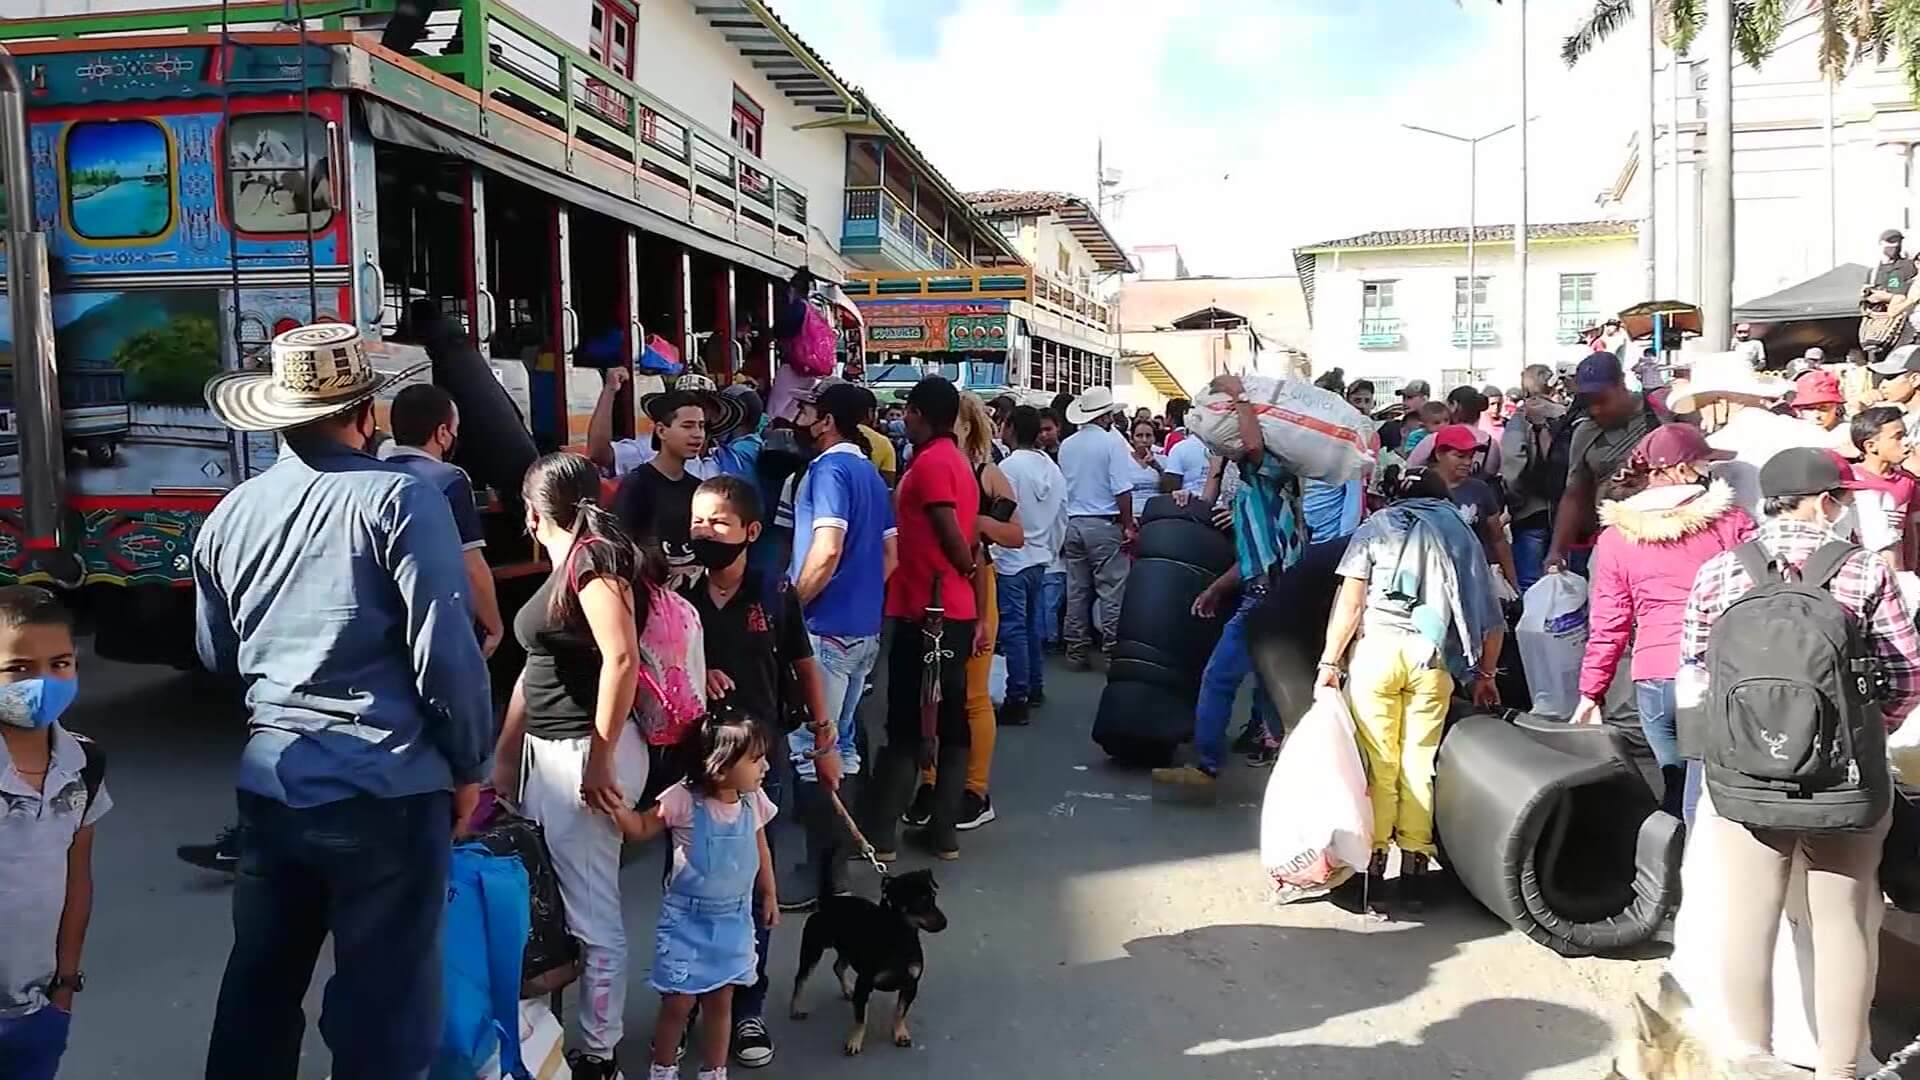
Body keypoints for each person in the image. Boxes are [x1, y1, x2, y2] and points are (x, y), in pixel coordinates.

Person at [195, 326, 492, 1080]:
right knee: (384, 1006)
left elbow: (218, 655)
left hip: (272, 791)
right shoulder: (400, 498)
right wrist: (470, 765)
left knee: (258, 991)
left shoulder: (231, 512)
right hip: (386, 792)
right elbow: (446, 657)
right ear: (367, 413)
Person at [1675, 447, 1920, 1079]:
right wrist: (1865, 733)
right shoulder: (1865, 572)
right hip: (1845, 782)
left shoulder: (1721, 571)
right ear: (1824, 501)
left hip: (1747, 775)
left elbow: (1699, 666)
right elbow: (1905, 674)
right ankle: (1840, 1068)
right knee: (1841, 920)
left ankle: (1751, 1055)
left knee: (1750, 913)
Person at [487, 453, 692, 1080]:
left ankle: (599, 1052)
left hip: (582, 752)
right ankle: (555, 1035)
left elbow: (622, 659)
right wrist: (506, 751)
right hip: (551, 754)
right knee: (554, 902)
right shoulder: (573, 563)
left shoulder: (594, 562)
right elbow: (537, 669)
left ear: (530, 510)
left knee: (590, 908)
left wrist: (599, 761)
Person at [680, 475, 829, 1066]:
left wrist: (824, 734)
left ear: (751, 532)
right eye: (697, 521)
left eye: (717, 523)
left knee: (752, 890)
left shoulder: (775, 593)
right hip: (691, 764)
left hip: (757, 765)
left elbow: (803, 662)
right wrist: (697, 673)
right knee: (688, 887)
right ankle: (692, 994)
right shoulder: (679, 593)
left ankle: (747, 1008)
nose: (704, 534)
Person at [1314, 466, 1503, 916]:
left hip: (1378, 654)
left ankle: (1372, 870)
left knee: (1381, 762)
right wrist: (1486, 675)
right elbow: (1488, 613)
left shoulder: (1376, 527)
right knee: (1419, 762)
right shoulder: (1460, 533)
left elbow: (1351, 601)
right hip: (1432, 659)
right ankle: (1415, 868)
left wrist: (1329, 662)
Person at [1567, 424, 1752, 817]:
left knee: (1675, 783)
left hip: (1655, 675)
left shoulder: (1616, 537)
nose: (1709, 472)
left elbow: (1609, 625)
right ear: (1683, 470)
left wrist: (1590, 692)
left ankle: (1671, 868)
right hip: (1721, 668)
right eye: (1704, 463)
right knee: (1720, 791)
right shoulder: (1729, 522)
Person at [1153, 372, 1308, 792]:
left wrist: (1239, 395)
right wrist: (1216, 588)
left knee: (1220, 676)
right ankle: (1278, 752)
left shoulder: (1263, 470)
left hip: (1266, 594)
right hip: (1277, 589)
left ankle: (1207, 765)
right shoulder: (1267, 483)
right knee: (1270, 681)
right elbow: (1254, 555)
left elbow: (1253, 444)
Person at [611, 709, 777, 1080]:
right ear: (719, 767)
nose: (765, 766)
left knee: (722, 1001)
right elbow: (640, 828)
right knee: (678, 1003)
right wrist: (615, 809)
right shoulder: (682, 800)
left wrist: (769, 893)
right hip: (687, 921)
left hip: (735, 919)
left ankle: (713, 1071)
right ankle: (663, 1069)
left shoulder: (753, 801)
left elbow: (760, 845)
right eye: (756, 759)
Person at [866, 376, 981, 862]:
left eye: (908, 412)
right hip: (947, 607)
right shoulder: (956, 461)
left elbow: (951, 531)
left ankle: (884, 837)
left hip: (926, 610)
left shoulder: (933, 463)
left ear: (919, 412)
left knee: (908, 722)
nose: (903, 420)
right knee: (949, 717)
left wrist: (965, 568)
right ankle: (943, 835)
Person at [787, 381, 890, 908]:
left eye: (807, 410)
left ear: (826, 421)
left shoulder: (828, 470)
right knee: (842, 747)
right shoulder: (871, 473)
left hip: (823, 629)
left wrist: (793, 606)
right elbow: (889, 557)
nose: (799, 418)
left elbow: (825, 551)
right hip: (862, 628)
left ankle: (819, 875)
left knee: (812, 749)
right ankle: (839, 871)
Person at [0, 588, 105, 1080]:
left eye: (60, 663)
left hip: (38, 1008)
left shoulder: (83, 765)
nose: (43, 681)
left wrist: (64, 986)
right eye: (19, 669)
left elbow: (76, 879)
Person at [910, 393, 1024, 833]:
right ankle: (931, 782)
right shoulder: (925, 466)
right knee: (930, 690)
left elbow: (1016, 534)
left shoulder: (986, 473)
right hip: (929, 586)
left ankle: (975, 790)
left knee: (971, 693)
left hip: (975, 583)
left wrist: (975, 524)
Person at [382, 383, 505, 656]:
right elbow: (472, 566)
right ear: (442, 433)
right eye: (454, 431)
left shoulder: (372, 476)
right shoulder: (450, 479)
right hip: (440, 626)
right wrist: (495, 626)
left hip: (387, 624)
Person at [1669, 352, 1821, 520]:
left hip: (1748, 540)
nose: (1700, 412)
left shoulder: (1713, 448)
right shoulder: (1807, 431)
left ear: (1720, 402)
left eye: (1702, 405)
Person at [1546, 352, 1659, 573]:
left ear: (1621, 384)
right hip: (1613, 542)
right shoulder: (1585, 432)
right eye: (1589, 402)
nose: (1596, 409)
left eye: (1602, 400)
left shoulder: (1658, 414)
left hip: (1664, 536)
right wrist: (1556, 551)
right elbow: (1574, 494)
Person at [616, 384, 741, 583]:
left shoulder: (698, 489)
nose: (697, 434)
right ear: (661, 431)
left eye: (701, 426)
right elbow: (621, 549)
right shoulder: (638, 484)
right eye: (687, 426)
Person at [993, 405, 1067, 728]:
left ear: (1009, 427)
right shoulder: (1051, 467)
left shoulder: (1007, 468)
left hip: (1012, 558)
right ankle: (1034, 687)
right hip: (1039, 557)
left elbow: (999, 515)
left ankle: (1017, 696)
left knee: (1013, 630)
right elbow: (1062, 514)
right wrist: (1049, 549)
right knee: (1030, 627)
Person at [1058, 387, 1137, 669]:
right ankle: (1112, 650)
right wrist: (1128, 525)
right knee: (1112, 589)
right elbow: (1122, 488)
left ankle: (1076, 649)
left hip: (1073, 521)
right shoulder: (1111, 443)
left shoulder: (1067, 444)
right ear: (1105, 416)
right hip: (1104, 523)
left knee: (1077, 589)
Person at [1501, 363, 1568, 595]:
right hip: (1564, 509)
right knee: (1563, 578)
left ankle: (1530, 628)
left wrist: (1514, 500)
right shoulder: (1566, 415)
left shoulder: (1522, 417)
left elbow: (1512, 460)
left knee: (1529, 580)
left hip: (1530, 509)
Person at [1428, 425, 1518, 593]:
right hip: (1435, 578)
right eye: (1460, 456)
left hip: (1476, 576)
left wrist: (1512, 582)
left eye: (1471, 457)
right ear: (1440, 454)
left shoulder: (1479, 489)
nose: (1467, 462)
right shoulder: (1422, 487)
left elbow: (1497, 538)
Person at [1847, 405, 1917, 572]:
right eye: (1897, 437)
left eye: (1905, 435)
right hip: (1857, 573)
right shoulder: (1848, 479)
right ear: (1871, 446)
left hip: (1895, 574)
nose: (1906, 442)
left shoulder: (1907, 481)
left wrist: (1910, 571)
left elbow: (1910, 531)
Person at [1407, 385, 1503, 480]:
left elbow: (1412, 466)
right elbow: (1491, 472)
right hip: (1474, 493)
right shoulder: (1490, 443)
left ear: (1454, 405)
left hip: (1440, 492)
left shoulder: (1437, 437)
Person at [1863, 227, 1920, 357]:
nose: (1895, 245)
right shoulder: (1873, 271)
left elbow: (1913, 294)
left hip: (1904, 326)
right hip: (1878, 326)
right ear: (1881, 243)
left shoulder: (1908, 266)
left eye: (1898, 242)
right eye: (1890, 242)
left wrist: (1887, 297)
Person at [1121, 416, 1170, 516]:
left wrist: (1157, 467)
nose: (1144, 440)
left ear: (1154, 438)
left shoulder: (1164, 460)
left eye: (1148, 436)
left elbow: (1169, 489)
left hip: (1156, 514)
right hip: (1132, 514)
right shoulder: (1122, 461)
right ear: (1131, 438)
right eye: (1139, 436)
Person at [1378, 379, 1430, 453]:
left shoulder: (1437, 423)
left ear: (1424, 399)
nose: (1404, 402)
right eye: (1403, 398)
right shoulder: (1391, 428)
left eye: (1409, 397)